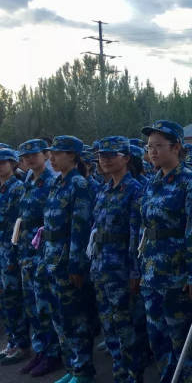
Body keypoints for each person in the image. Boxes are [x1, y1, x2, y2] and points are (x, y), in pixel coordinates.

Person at [138, 120, 192, 383]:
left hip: (177, 275)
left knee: (184, 340)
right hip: (152, 272)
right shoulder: (153, 181)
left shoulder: (191, 182)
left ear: (176, 147)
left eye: (158, 146)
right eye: (149, 147)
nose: (152, 152)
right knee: (158, 337)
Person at [89, 136, 146, 383]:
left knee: (127, 328)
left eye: (112, 155)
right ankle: (120, 373)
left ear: (126, 158)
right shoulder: (103, 190)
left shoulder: (135, 190)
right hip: (101, 270)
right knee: (109, 327)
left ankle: (133, 376)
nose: (105, 160)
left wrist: (135, 273)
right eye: (102, 156)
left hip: (122, 272)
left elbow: (137, 236)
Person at [40, 135, 96, 383]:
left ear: (72, 156)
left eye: (57, 153)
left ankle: (83, 371)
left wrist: (75, 264)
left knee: (76, 318)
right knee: (60, 318)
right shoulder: (57, 183)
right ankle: (72, 368)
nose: (51, 157)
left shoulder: (79, 185)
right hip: (51, 259)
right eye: (51, 153)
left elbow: (80, 229)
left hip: (66, 263)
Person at [15, 139, 62, 376]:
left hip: (44, 250)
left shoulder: (52, 181)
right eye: (25, 157)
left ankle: (53, 354)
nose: (30, 160)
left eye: (34, 155)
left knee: (45, 305)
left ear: (45, 155)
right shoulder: (28, 180)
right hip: (27, 251)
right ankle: (41, 350)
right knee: (32, 306)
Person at [0, 148, 29, 365]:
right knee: (4, 299)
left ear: (12, 164)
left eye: (3, 163)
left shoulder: (18, 188)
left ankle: (21, 343)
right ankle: (12, 340)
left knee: (13, 297)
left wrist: (14, 254)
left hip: (10, 250)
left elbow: (19, 226)